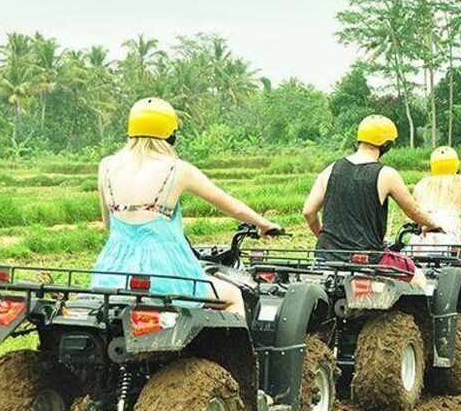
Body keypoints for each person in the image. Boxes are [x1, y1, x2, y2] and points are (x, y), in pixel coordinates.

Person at [92, 98, 279, 315]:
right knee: (231, 297)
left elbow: (107, 223)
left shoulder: (106, 166)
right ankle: (230, 349)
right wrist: (265, 224)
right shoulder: (177, 169)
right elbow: (232, 207)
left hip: (112, 270)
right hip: (165, 271)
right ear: (170, 135)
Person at [302, 115, 440, 286]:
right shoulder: (387, 174)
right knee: (418, 278)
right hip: (368, 259)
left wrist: (326, 240)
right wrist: (432, 224)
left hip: (326, 256)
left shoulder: (330, 169)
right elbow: (413, 211)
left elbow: (308, 211)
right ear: (386, 144)